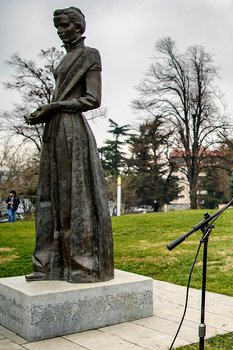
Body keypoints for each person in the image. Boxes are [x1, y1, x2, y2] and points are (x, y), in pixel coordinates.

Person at [24, 7, 113, 283]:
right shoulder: (64, 59)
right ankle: (49, 263)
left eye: (64, 26)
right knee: (50, 195)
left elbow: (92, 99)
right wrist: (49, 112)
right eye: (57, 27)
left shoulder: (90, 55)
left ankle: (82, 264)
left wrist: (53, 107)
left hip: (72, 130)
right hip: (55, 129)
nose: (60, 32)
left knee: (75, 196)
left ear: (78, 27)